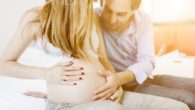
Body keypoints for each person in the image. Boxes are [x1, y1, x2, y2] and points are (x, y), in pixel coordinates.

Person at [19, 0, 190, 110]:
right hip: (110, 88)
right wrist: (45, 75)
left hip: (130, 79)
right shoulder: (92, 17)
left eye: (121, 14)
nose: (112, 19)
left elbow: (143, 61)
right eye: (109, 10)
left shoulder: (141, 19)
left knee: (185, 98)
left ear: (134, 11)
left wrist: (117, 82)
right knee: (186, 98)